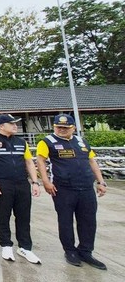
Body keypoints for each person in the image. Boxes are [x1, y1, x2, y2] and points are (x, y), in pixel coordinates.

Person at [36, 114, 108, 270]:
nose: (61, 130)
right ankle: (70, 251)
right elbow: (40, 161)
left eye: (65, 127)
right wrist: (46, 182)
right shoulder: (47, 141)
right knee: (65, 220)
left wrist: (101, 181)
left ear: (73, 128)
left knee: (88, 221)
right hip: (63, 189)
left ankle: (86, 251)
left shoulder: (82, 142)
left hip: (86, 188)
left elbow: (92, 161)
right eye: (58, 127)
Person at [0, 114, 41, 264]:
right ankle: (6, 245)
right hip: (3, 183)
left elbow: (29, 162)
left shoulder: (21, 142)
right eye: (12, 123)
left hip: (22, 183)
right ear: (1, 126)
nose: (15, 126)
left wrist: (35, 182)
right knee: (3, 215)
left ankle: (25, 247)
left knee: (23, 216)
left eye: (16, 124)